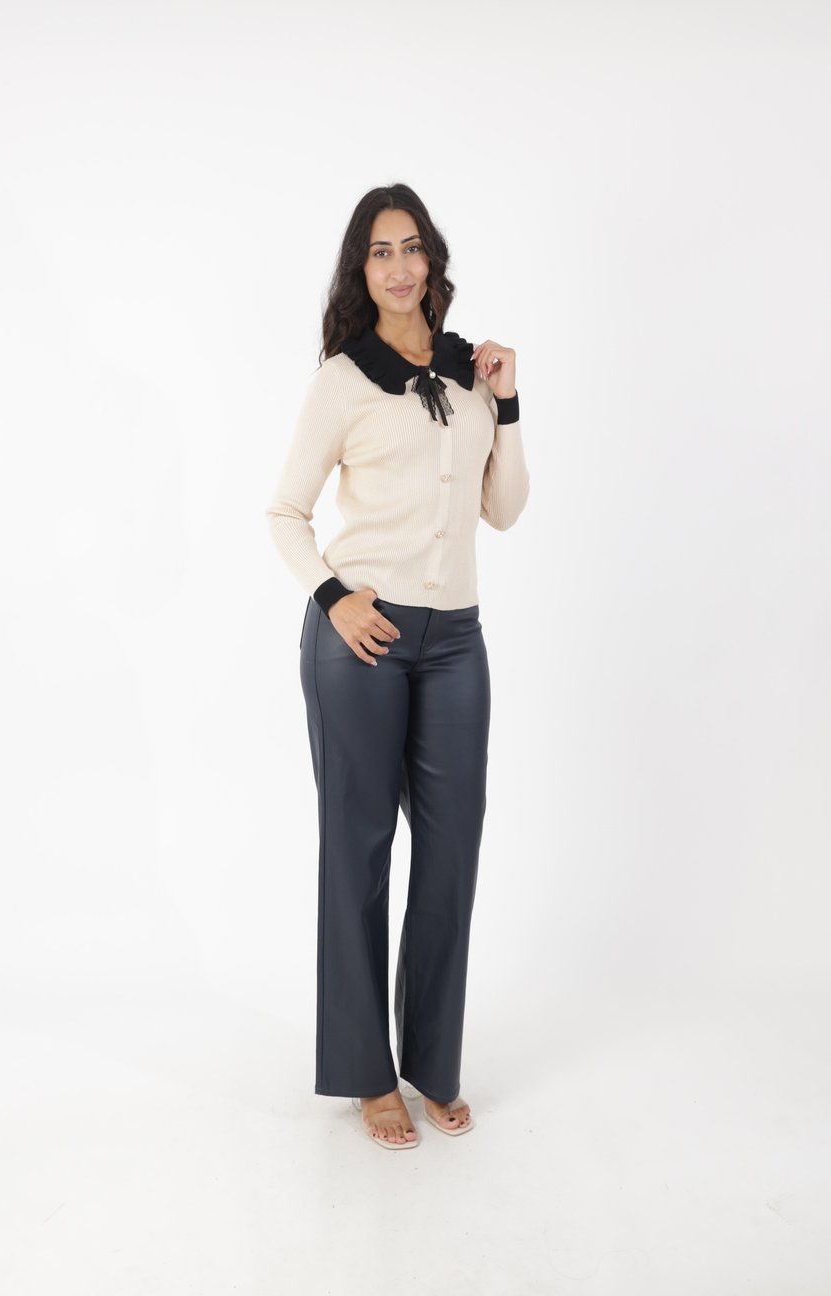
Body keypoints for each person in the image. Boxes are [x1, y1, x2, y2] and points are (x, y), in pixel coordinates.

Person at [265, 183, 530, 1149]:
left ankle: (431, 1064)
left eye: (411, 246)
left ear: (433, 259)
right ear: (361, 270)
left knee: (452, 853)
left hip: (456, 639)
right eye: (380, 252)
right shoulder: (343, 381)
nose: (399, 266)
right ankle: (366, 1075)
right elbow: (284, 513)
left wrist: (508, 403)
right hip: (361, 641)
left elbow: (504, 509)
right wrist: (334, 599)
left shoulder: (469, 373)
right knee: (360, 849)